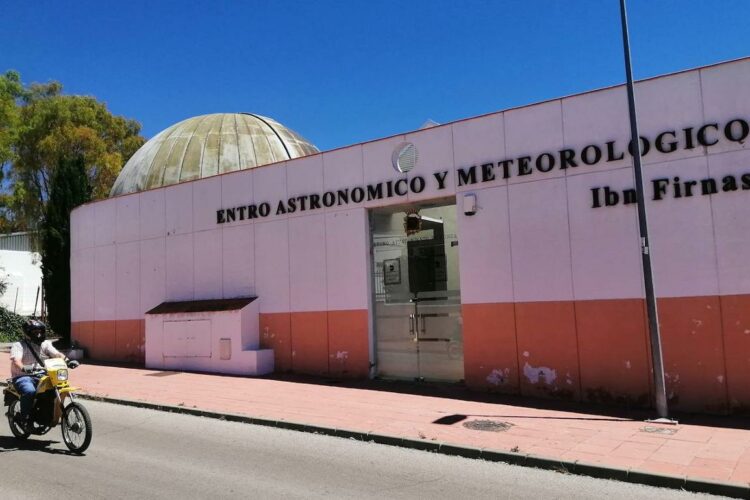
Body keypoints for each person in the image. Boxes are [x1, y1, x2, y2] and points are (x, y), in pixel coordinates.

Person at [9, 319, 79, 426]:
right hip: (23, 376)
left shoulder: (45, 344)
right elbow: (16, 360)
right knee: (29, 391)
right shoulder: (19, 345)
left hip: (42, 374)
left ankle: (49, 415)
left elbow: (56, 354)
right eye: (34, 332)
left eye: (40, 331)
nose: (38, 334)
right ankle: (25, 417)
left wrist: (68, 361)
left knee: (59, 388)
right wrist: (23, 367)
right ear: (27, 332)